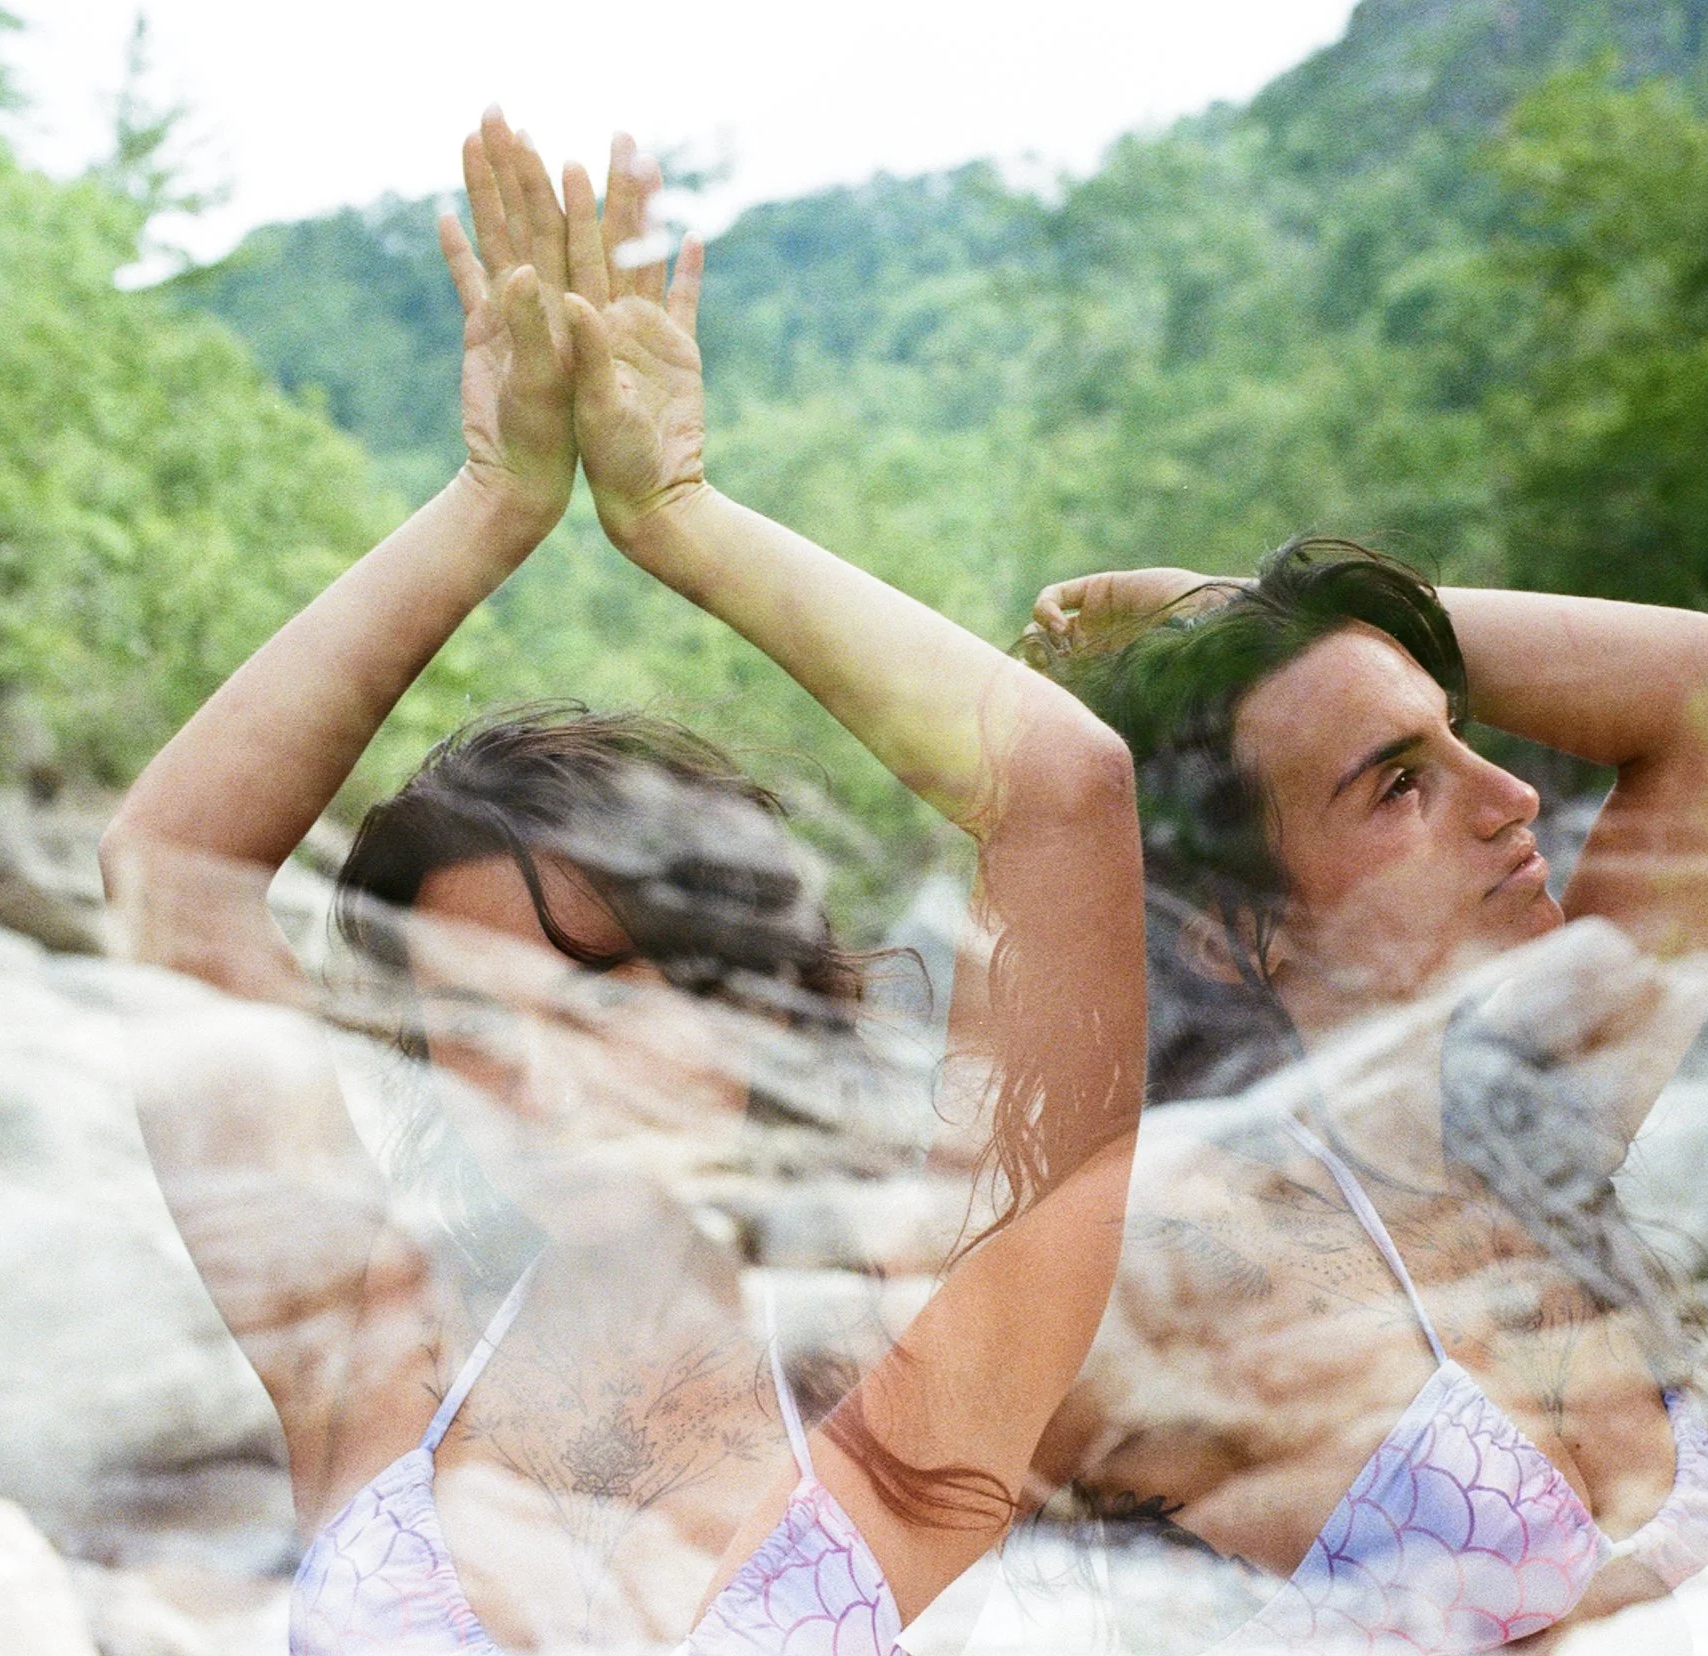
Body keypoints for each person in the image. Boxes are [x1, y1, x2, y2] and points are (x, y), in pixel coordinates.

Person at [100, 111, 1145, 1653]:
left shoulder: (909, 1393)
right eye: (469, 1016)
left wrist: (680, 519)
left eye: (600, 984)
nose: (536, 1072)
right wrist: (488, 506)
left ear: (742, 996)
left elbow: (1066, 795)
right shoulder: (375, 1366)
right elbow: (173, 868)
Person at [1011, 542, 1708, 1651]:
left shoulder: (1526, 1133)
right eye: (1398, 783)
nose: (1512, 797)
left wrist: (1226, 613)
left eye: (1456, 738)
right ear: (1234, 935)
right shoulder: (1168, 1262)